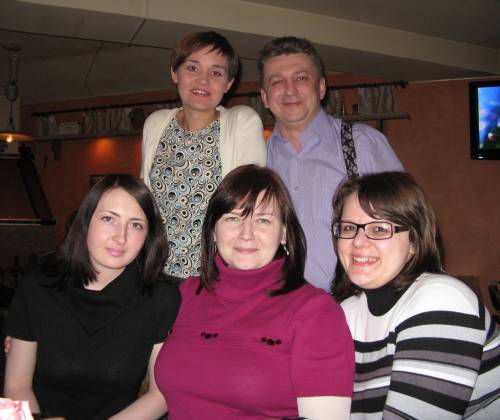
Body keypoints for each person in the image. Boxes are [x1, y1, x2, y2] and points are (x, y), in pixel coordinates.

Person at [154, 164, 355, 419]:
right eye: (233, 218)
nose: (246, 234)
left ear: (284, 233)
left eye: (262, 220)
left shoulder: (316, 312)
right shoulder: (184, 295)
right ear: (213, 230)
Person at [4, 175, 181, 419]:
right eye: (109, 219)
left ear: (148, 235)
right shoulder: (37, 286)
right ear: (86, 221)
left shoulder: (161, 298)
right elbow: (16, 387)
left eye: (136, 225)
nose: (120, 237)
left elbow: (160, 395)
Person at [331, 171, 500, 419]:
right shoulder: (347, 312)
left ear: (414, 241)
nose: (358, 241)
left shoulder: (443, 301)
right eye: (348, 228)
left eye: (379, 229)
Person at [258, 36, 403, 290]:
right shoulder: (257, 158)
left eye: (301, 78)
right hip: (278, 304)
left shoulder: (363, 144)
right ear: (265, 97)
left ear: (322, 87)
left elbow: (407, 225)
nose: (290, 90)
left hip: (355, 301)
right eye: (277, 81)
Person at [141, 31, 267, 279]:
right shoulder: (155, 123)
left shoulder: (242, 122)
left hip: (213, 276)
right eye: (192, 67)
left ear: (228, 83)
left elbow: (248, 208)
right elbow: (144, 202)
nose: (203, 80)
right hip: (155, 273)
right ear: (174, 73)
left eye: (216, 73)